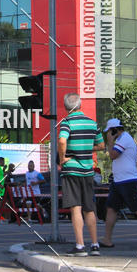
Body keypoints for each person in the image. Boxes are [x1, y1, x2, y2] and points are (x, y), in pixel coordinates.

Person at [100, 119, 137, 251]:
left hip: (128, 180)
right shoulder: (121, 140)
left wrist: (110, 141)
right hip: (118, 181)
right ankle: (107, 239)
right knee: (111, 208)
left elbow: (113, 155)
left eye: (110, 132)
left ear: (115, 130)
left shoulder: (124, 139)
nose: (108, 135)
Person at [58, 93, 105, 256]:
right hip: (88, 171)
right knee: (89, 208)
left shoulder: (66, 122)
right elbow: (101, 145)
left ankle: (80, 246)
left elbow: (62, 141)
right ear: (80, 105)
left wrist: (63, 158)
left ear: (66, 107)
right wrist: (86, 149)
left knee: (75, 208)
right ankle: (95, 244)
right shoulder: (92, 124)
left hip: (72, 170)